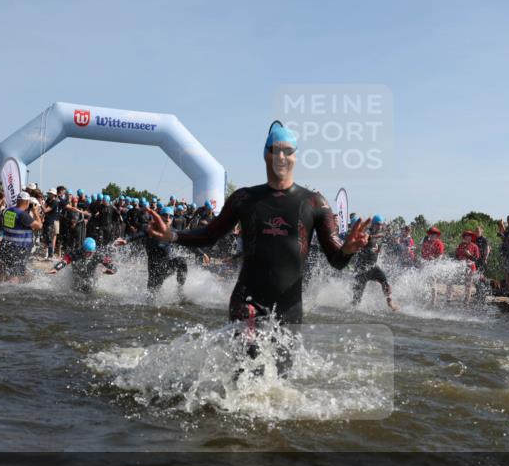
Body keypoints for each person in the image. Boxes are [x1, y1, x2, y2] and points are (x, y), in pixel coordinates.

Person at [144, 121, 369, 376]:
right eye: (275, 150)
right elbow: (209, 235)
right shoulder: (244, 198)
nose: (282, 157)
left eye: (288, 151)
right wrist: (173, 235)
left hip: (290, 309)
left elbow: (337, 260)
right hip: (247, 303)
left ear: (296, 156)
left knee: (279, 383)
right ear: (265, 154)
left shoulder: (315, 202)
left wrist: (349, 248)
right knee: (247, 376)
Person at [138, 206, 188, 300]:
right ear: (160, 217)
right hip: (155, 272)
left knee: (182, 261)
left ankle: (180, 290)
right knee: (150, 299)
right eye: (165, 215)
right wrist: (126, 240)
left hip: (167, 267)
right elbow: (137, 235)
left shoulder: (174, 232)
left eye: (171, 216)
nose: (168, 218)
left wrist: (202, 253)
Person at [351, 215, 398, 311]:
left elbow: (378, 247)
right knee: (357, 299)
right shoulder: (367, 232)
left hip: (373, 267)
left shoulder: (379, 236)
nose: (379, 226)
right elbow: (365, 237)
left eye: (381, 225)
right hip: (362, 268)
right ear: (373, 224)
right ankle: (351, 308)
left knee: (386, 284)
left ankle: (390, 303)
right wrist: (376, 236)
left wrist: (378, 250)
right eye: (377, 224)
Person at [0, 190, 43, 283]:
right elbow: (39, 226)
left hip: (6, 245)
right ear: (27, 202)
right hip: (19, 248)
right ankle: (12, 292)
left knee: (7, 271)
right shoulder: (23, 215)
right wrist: (35, 212)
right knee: (15, 274)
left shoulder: (8, 211)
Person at [50, 236, 117, 293]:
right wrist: (56, 268)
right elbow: (64, 261)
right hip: (77, 278)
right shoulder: (76, 253)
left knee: (90, 288)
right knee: (76, 290)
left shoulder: (97, 255)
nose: (87, 255)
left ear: (93, 251)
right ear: (82, 249)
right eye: (86, 252)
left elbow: (113, 267)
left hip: (90, 279)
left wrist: (110, 271)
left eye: (90, 253)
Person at [453, 230, 480, 305]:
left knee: (469, 284)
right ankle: (465, 299)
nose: (468, 237)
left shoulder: (474, 246)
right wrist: (459, 257)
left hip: (471, 267)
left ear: (471, 237)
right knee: (465, 283)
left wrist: (469, 255)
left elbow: (476, 259)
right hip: (462, 266)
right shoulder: (461, 245)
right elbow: (456, 256)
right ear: (464, 237)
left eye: (469, 236)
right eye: (466, 236)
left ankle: (467, 301)